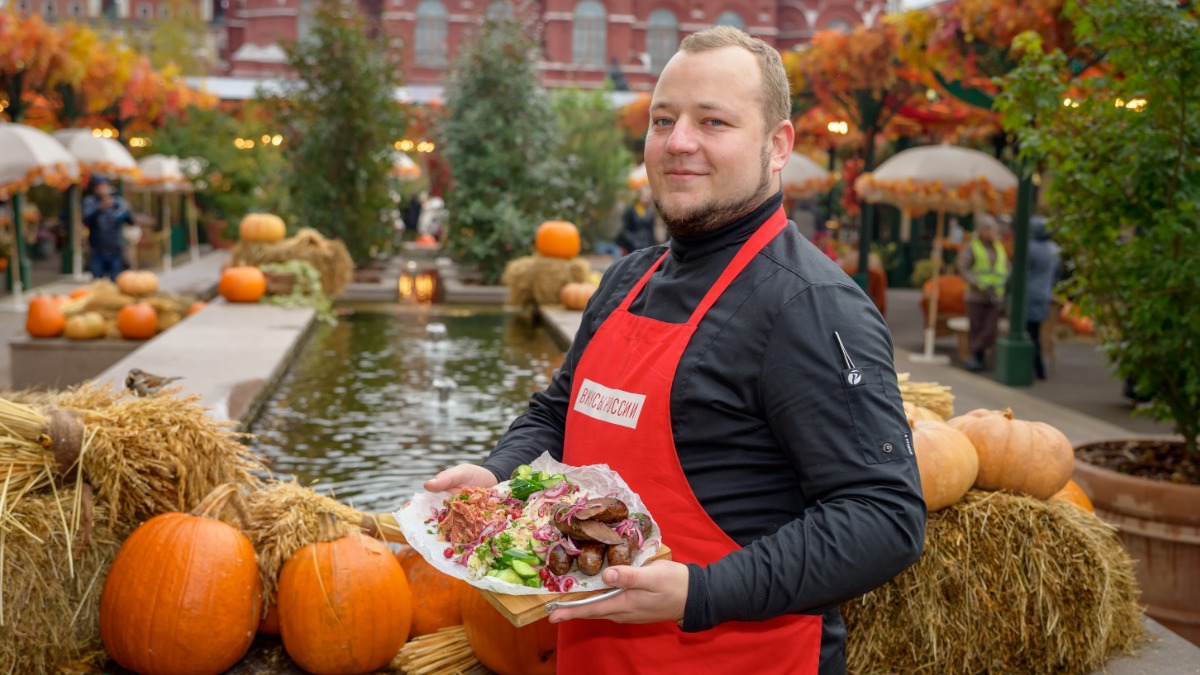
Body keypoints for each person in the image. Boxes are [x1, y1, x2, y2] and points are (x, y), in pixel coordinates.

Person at [424, 27, 925, 674]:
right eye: (663, 120)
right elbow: (557, 414)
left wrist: (702, 592)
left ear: (778, 146)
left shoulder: (810, 305)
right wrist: (496, 478)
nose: (678, 141)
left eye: (713, 121)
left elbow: (884, 518)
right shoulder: (627, 280)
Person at [956, 214, 1008, 372]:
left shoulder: (999, 247)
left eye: (993, 229)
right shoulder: (973, 247)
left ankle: (973, 352)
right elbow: (962, 267)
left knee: (990, 331)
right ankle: (977, 359)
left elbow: (1006, 268)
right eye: (988, 229)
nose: (991, 232)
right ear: (981, 231)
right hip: (976, 296)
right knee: (976, 329)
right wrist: (976, 282)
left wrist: (1005, 283)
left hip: (995, 296)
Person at [1025, 216, 1060, 380]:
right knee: (1036, 331)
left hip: (1028, 296)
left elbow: (1018, 273)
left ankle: (1037, 368)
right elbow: (1057, 275)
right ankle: (1038, 368)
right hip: (1045, 295)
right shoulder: (1054, 249)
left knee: (1029, 333)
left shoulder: (1029, 248)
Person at [81, 178, 134, 281]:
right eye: (99, 186)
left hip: (115, 250)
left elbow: (130, 221)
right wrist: (100, 208)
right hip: (96, 250)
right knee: (98, 282)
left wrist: (121, 208)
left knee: (116, 281)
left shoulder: (118, 201)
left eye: (104, 186)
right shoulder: (90, 202)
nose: (102, 189)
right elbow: (86, 220)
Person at [616, 184, 658, 254]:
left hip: (649, 245)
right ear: (639, 195)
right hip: (634, 246)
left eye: (648, 194)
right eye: (645, 194)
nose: (647, 196)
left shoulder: (650, 210)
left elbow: (651, 230)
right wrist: (633, 242)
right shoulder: (631, 210)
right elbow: (625, 230)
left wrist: (654, 245)